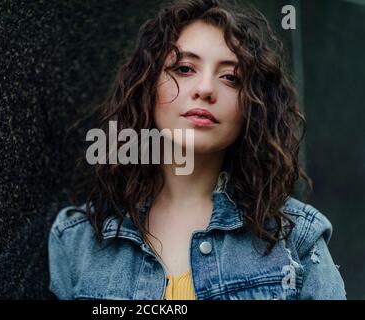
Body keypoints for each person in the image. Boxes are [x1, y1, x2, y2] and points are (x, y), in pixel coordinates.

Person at [48, 0, 347, 300]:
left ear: (252, 107)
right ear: (147, 86)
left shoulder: (296, 237)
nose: (205, 89)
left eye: (231, 77)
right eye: (185, 68)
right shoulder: (77, 239)